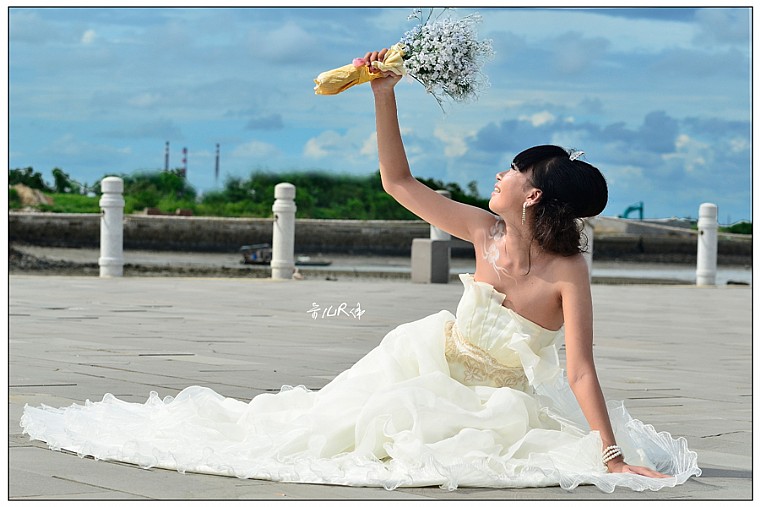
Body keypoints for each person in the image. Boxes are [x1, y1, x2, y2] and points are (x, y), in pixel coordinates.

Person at [19, 50, 700, 493]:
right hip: (423, 366)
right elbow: (399, 182)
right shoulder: (482, 229)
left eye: (512, 170)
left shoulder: (568, 271)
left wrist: (610, 453)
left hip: (500, 403)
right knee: (319, 430)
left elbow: (579, 370)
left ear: (533, 194)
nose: (499, 173)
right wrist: (383, 93)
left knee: (440, 450)